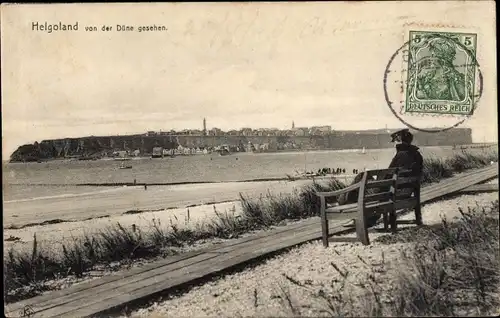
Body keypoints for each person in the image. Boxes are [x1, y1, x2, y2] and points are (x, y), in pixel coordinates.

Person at [337, 128, 423, 227]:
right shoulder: (417, 154)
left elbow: (388, 177)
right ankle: (369, 218)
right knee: (365, 182)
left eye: (394, 141)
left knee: (361, 177)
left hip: (392, 195)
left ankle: (343, 202)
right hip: (405, 193)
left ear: (398, 140)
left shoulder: (401, 155)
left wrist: (378, 179)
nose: (393, 144)